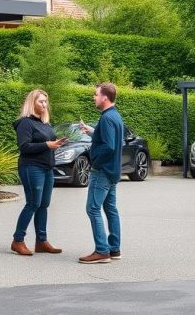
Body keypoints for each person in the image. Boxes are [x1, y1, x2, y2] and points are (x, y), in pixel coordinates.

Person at [10, 89, 68, 256]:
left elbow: (47, 142)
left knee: (44, 205)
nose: (44, 104)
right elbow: (24, 146)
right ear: (32, 103)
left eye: (45, 101)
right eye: (41, 101)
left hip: (47, 168)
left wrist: (56, 144)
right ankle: (18, 240)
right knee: (33, 204)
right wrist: (47, 145)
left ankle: (41, 241)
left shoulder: (45, 123)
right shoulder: (25, 123)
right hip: (31, 167)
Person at [77, 82, 123, 264]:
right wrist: (92, 131)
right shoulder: (114, 116)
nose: (94, 98)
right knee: (110, 209)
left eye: (96, 94)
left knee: (93, 209)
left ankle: (102, 251)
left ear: (105, 97)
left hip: (102, 171)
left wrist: (94, 158)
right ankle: (114, 249)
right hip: (112, 171)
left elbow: (109, 146)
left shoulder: (106, 118)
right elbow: (107, 139)